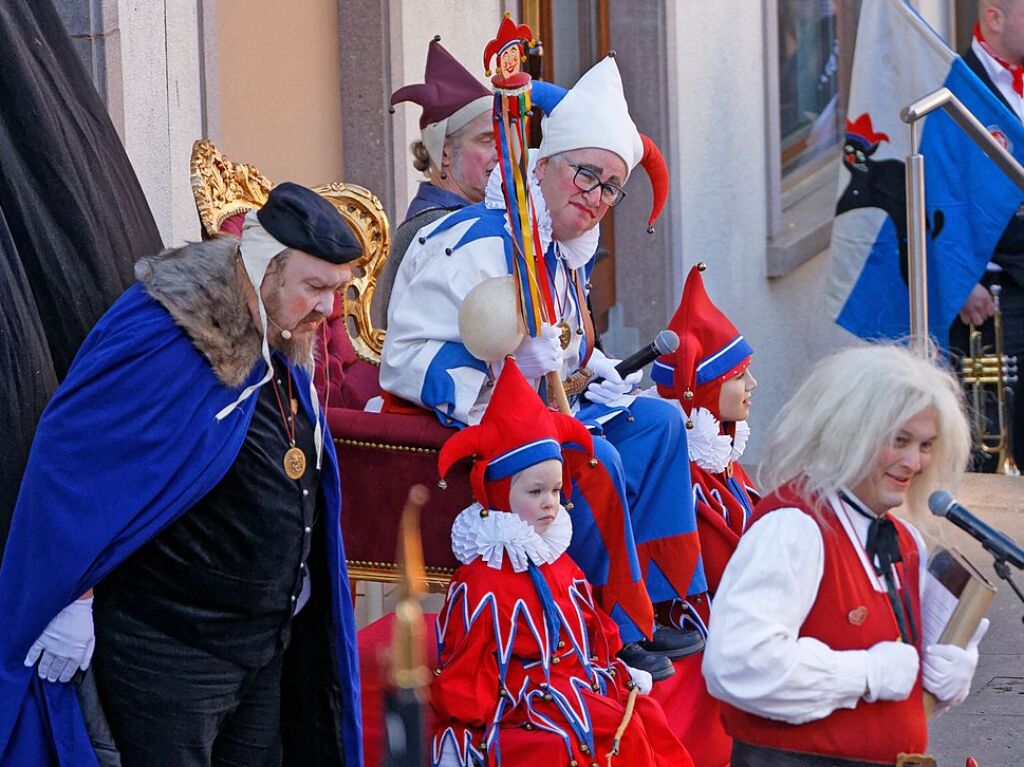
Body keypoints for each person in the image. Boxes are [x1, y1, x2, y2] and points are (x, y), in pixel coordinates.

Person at [0, 183, 363, 766]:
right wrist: (73, 593)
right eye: (315, 288)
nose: (328, 309)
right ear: (263, 267)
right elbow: (78, 460)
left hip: (263, 650)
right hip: (171, 652)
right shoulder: (168, 333)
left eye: (337, 291)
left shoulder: (282, 339)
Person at [381, 54, 705, 678]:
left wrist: (598, 366)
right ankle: (610, 627)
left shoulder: (559, 255)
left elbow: (569, 352)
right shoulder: (474, 241)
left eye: (610, 186)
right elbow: (405, 359)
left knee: (659, 424)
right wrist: (498, 369)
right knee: (596, 457)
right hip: (470, 427)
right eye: (586, 174)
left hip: (546, 412)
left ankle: (667, 602)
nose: (595, 196)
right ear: (546, 165)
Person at [703, 344, 987, 767]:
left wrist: (943, 678)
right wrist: (869, 672)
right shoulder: (793, 528)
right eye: (899, 440)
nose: (914, 462)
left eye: (927, 445)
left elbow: (894, 684)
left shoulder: (904, 540)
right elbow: (739, 665)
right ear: (850, 431)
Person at [431, 359, 694, 767]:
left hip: (573, 682)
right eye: (535, 491)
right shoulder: (482, 585)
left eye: (556, 490)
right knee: (568, 743)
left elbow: (592, 628)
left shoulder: (560, 563)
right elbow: (468, 666)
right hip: (524, 699)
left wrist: (612, 669)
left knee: (643, 719)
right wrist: (471, 714)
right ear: (500, 494)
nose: (550, 503)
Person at [646, 262, 759, 767]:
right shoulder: (690, 480)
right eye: (738, 375)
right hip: (711, 625)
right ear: (703, 390)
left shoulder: (724, 462)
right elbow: (716, 564)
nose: (752, 383)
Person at [376, 37, 496, 324]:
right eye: (487, 140)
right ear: (443, 154)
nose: (501, 154)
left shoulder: (474, 217)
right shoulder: (430, 229)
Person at [951, 0, 1024, 470]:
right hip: (994, 296)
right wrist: (958, 278)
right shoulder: (952, 88)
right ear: (995, 19)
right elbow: (934, 189)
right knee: (991, 437)